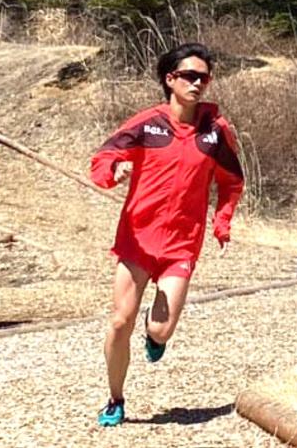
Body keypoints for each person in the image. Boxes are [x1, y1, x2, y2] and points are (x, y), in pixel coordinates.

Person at [90, 43, 245, 427]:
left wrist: (222, 221)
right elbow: (104, 157)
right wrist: (113, 173)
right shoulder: (147, 124)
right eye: (190, 76)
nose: (198, 83)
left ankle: (154, 335)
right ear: (170, 79)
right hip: (137, 239)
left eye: (204, 78)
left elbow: (232, 182)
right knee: (119, 322)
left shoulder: (216, 132)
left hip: (181, 245)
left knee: (161, 329)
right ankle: (115, 399)